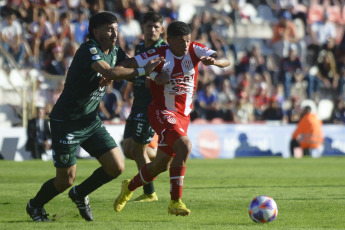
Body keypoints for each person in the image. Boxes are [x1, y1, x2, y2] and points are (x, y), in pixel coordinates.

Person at [26, 11, 164, 222]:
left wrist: (154, 72)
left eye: (116, 29)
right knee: (65, 180)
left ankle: (80, 194)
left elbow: (128, 66)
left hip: (90, 120)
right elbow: (112, 72)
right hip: (67, 121)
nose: (114, 33)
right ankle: (35, 205)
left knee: (116, 166)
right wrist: (131, 72)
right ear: (95, 30)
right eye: (109, 28)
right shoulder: (89, 49)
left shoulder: (116, 51)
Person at [113, 21, 230, 216]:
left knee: (161, 165)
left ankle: (129, 187)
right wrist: (148, 75)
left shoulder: (195, 49)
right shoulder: (157, 55)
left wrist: (216, 62)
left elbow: (225, 60)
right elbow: (126, 65)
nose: (185, 45)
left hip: (183, 116)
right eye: (181, 41)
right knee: (184, 146)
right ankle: (175, 202)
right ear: (169, 41)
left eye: (188, 40)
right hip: (161, 111)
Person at [121, 11, 166, 202]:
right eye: (149, 26)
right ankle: (158, 160)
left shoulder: (164, 50)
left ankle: (150, 192)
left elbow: (168, 78)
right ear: (143, 28)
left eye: (156, 26)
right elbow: (135, 73)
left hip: (150, 105)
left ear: (162, 29)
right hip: (137, 103)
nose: (152, 30)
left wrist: (154, 81)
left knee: (138, 151)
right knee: (127, 149)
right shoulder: (140, 47)